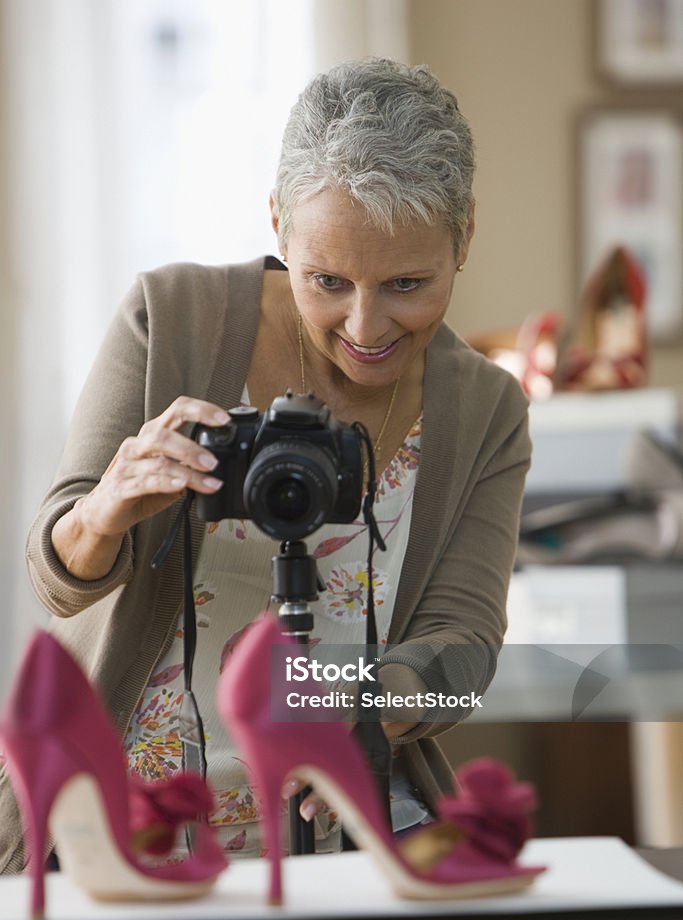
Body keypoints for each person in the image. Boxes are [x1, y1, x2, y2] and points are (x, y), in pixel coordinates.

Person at [0, 58, 530, 873]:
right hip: (111, 836)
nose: (364, 325)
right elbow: (56, 575)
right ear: (279, 222)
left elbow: (465, 659)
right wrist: (105, 508)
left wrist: (364, 710)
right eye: (327, 280)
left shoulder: (486, 408)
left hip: (339, 841)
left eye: (407, 284)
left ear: (465, 237)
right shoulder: (172, 318)